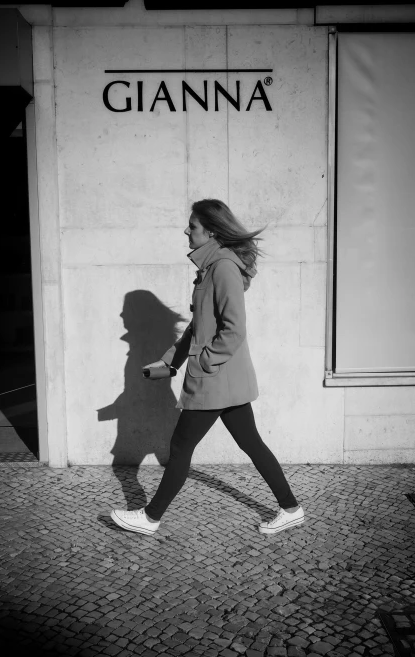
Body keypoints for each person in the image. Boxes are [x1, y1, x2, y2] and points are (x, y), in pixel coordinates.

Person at [110, 199, 304, 536]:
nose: (187, 231)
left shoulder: (223, 267)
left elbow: (234, 330)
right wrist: (170, 361)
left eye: (193, 226)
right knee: (252, 443)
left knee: (181, 447)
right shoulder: (212, 267)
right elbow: (198, 328)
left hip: (215, 381)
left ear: (211, 231)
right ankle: (291, 508)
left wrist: (201, 363)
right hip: (225, 380)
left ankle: (151, 517)